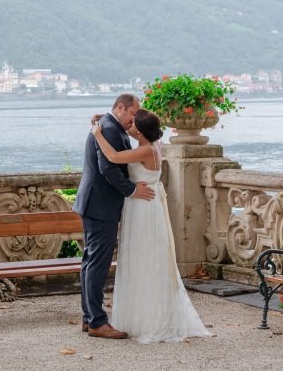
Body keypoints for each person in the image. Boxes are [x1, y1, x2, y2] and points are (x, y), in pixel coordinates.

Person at [91, 108, 213, 344]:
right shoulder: (155, 146)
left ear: (140, 130)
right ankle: (150, 314)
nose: (129, 125)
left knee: (143, 259)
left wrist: (97, 134)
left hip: (142, 207)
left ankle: (147, 318)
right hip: (149, 203)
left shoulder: (146, 149)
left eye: (133, 123)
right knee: (150, 259)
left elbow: (114, 158)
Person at [72, 93, 154, 340]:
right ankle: (97, 322)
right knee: (97, 263)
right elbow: (107, 167)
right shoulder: (108, 128)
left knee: (90, 262)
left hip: (95, 204)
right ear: (120, 107)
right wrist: (132, 190)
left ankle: (90, 318)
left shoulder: (108, 125)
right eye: (132, 113)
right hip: (100, 205)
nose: (134, 118)